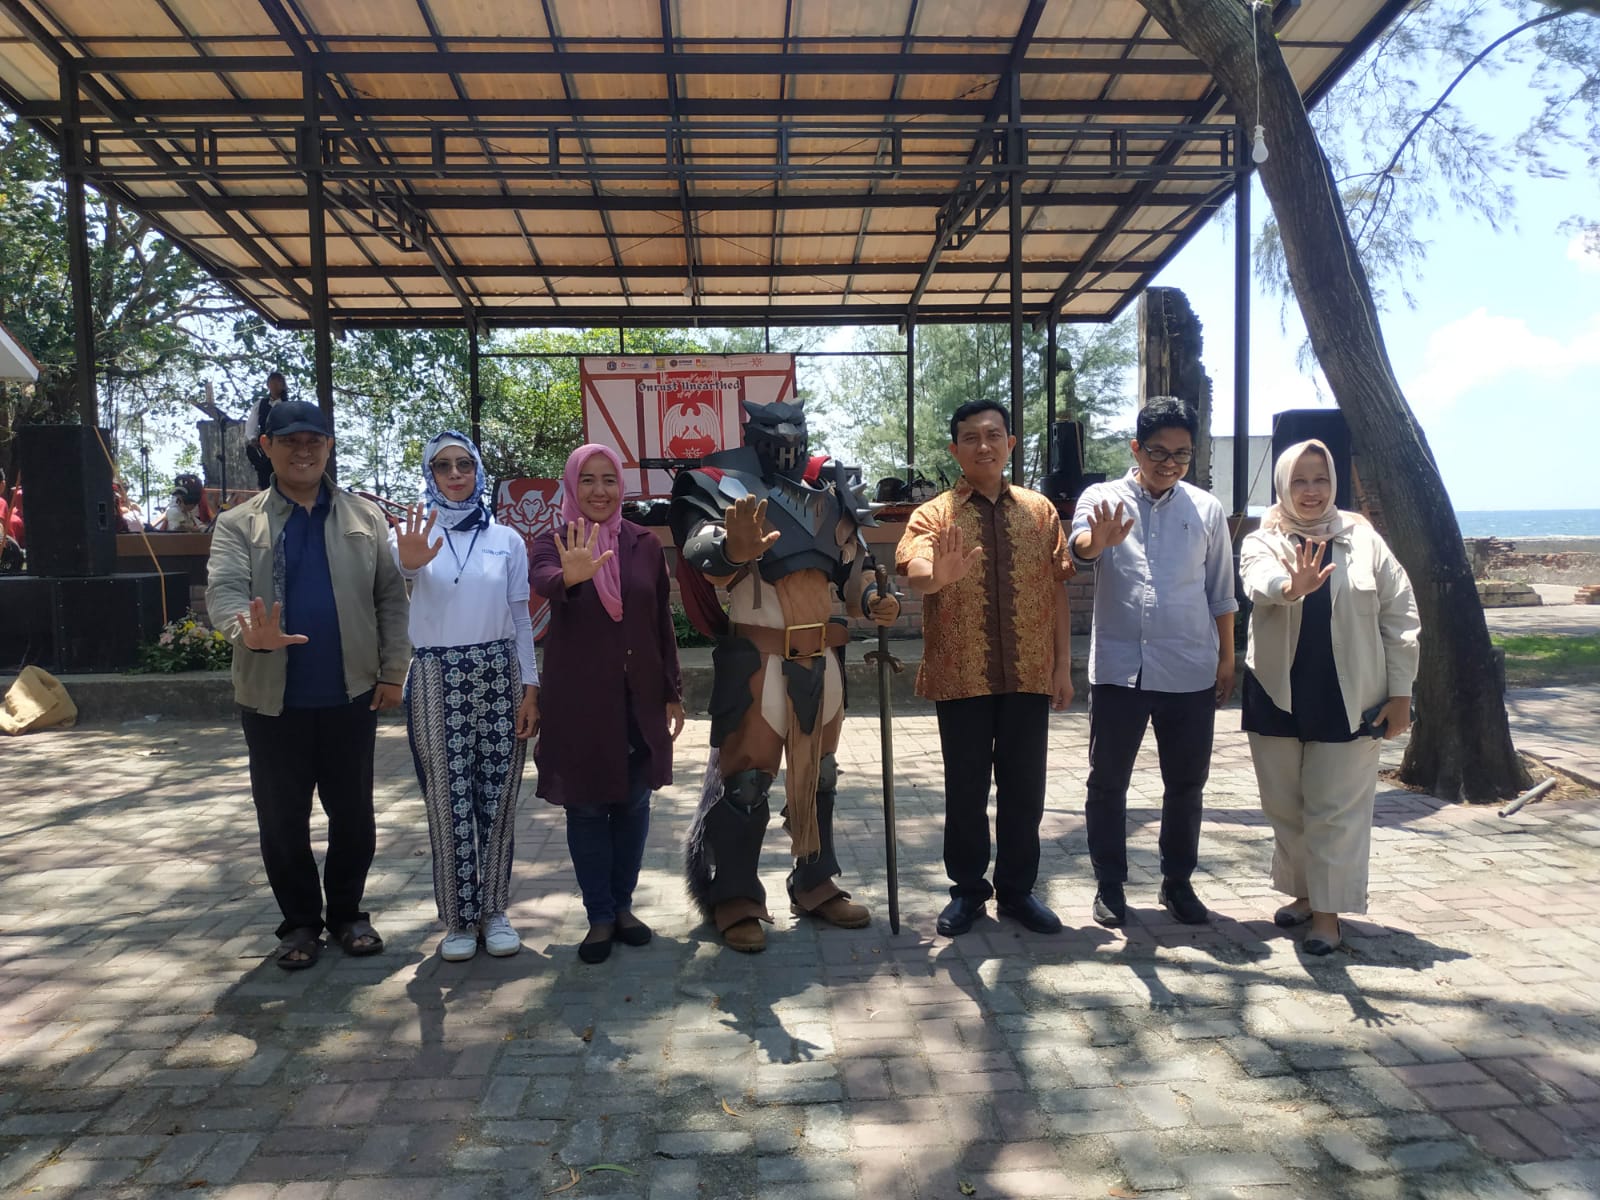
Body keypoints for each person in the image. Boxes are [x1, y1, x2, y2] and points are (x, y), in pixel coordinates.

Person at [670, 400, 900, 953]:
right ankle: (735, 898)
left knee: (821, 775)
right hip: (759, 661)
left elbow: (853, 577)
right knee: (746, 781)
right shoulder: (722, 486)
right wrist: (733, 547)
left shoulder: (832, 493)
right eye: (776, 434)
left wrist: (874, 599)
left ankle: (815, 883)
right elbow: (704, 552)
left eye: (796, 433)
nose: (787, 443)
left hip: (823, 659)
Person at [205, 399, 410, 970]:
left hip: (351, 696)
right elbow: (224, 590)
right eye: (289, 441)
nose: (303, 451)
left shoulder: (365, 517)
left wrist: (394, 671)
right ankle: (299, 924)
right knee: (281, 820)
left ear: (328, 447)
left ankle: (347, 914)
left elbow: (391, 597)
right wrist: (248, 632)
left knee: (354, 816)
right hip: (272, 703)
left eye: (313, 441)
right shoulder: (238, 523)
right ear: (266, 448)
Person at [896, 400, 1076, 937]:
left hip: (1029, 675)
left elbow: (1058, 590)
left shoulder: (1040, 512)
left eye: (994, 435)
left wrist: (1063, 667)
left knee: (1025, 790)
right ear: (955, 450)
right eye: (971, 437)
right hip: (962, 676)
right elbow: (915, 569)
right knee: (966, 792)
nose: (983, 445)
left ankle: (1018, 891)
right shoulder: (935, 514)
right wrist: (939, 575)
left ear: (1010, 444)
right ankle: (968, 891)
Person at [1239, 439, 1419, 955]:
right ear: (1283, 485)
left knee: (1335, 810)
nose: (1311, 490)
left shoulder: (1365, 541)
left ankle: (1327, 914)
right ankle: (1305, 893)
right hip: (1276, 691)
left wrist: (1401, 694)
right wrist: (1292, 587)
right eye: (1299, 480)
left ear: (1333, 483)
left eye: (1320, 479)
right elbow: (1259, 581)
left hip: (1351, 695)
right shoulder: (1264, 539)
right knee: (1285, 807)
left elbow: (1401, 616)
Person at [1070, 396, 1237, 928]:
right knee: (1107, 782)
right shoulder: (1102, 498)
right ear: (1136, 448)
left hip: (1189, 667)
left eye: (1182, 455)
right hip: (1120, 669)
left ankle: (1177, 882)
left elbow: (1221, 593)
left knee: (1186, 784)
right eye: (1159, 452)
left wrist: (1227, 658)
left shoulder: (1206, 510)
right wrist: (1097, 541)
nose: (1169, 464)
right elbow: (1079, 550)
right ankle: (1109, 883)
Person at [530, 443, 684, 964]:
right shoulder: (554, 541)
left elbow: (661, 622)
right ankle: (598, 914)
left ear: (622, 486)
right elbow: (543, 579)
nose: (599, 491)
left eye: (609, 480)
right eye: (588, 480)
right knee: (588, 806)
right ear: (572, 486)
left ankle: (622, 907)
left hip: (639, 699)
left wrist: (672, 691)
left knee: (634, 803)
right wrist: (571, 576)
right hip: (580, 703)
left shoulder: (644, 543)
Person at [394, 431, 540, 962]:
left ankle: (494, 910)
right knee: (448, 799)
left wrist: (531, 688)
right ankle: (458, 920)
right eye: (443, 466)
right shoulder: (410, 534)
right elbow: (404, 572)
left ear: (478, 471)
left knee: (497, 798)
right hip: (437, 675)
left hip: (499, 674)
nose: (455, 474)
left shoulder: (507, 540)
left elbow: (520, 618)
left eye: (464, 464)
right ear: (429, 474)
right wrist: (410, 562)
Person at [245, 371, 290, 489]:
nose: (275, 385)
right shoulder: (260, 404)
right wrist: (253, 439)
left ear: (283, 385)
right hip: (264, 449)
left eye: (278, 382)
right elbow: (251, 424)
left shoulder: (289, 406)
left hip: (283, 448)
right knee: (265, 481)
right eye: (272, 382)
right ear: (268, 385)